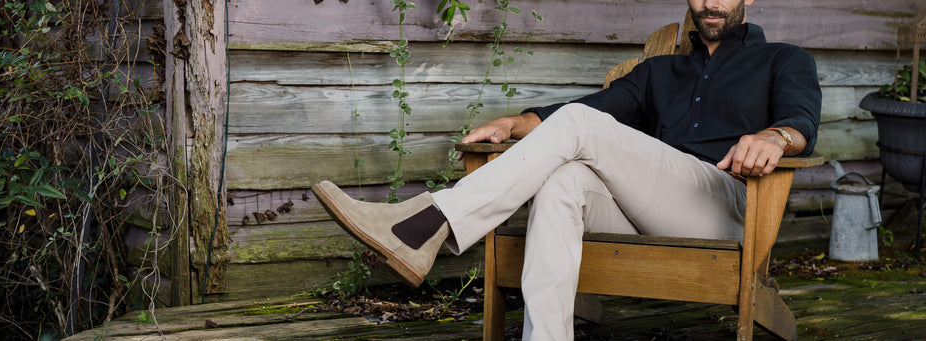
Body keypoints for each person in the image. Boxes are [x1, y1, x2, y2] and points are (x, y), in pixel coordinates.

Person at [312, 0, 820, 339]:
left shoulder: (783, 59)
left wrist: (775, 138)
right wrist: (520, 121)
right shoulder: (659, 70)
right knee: (563, 181)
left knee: (582, 127)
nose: (711, 2)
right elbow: (596, 105)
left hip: (728, 205)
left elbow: (802, 121)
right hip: (653, 209)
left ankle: (423, 223)